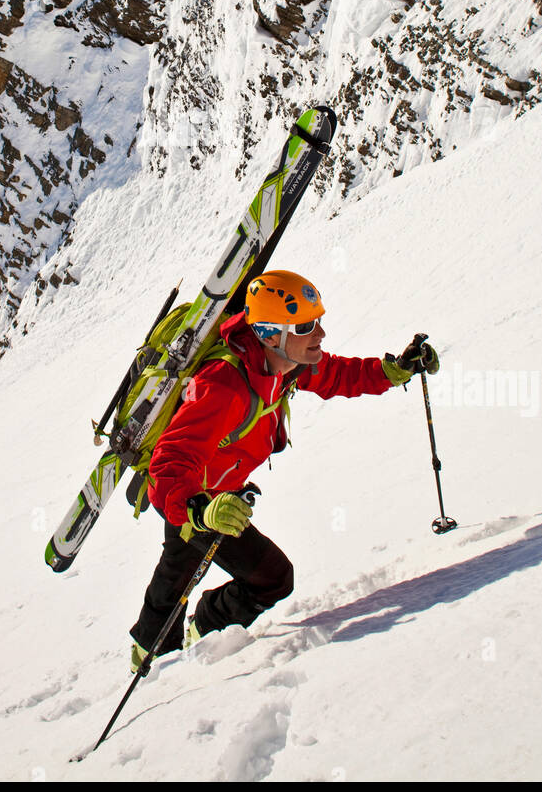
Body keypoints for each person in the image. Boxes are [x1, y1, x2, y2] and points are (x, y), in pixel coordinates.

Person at [129, 269, 439, 671]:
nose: (321, 334)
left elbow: (337, 374)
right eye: (307, 325)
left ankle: (170, 643)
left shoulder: (284, 364)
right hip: (193, 499)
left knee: (183, 566)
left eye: (318, 322)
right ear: (271, 333)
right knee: (258, 574)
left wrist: (394, 370)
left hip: (220, 495)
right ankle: (169, 653)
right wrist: (200, 510)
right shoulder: (224, 384)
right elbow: (169, 464)